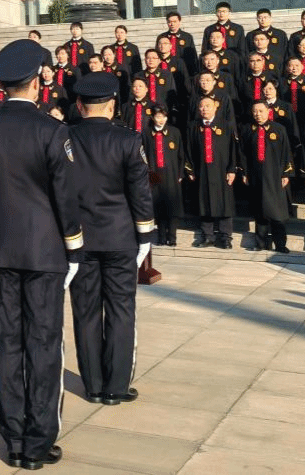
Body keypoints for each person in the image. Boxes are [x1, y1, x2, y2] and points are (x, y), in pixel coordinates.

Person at [0, 39, 83, 471]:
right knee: (44, 345)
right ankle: (38, 442)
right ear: (36, 83)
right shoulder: (52, 130)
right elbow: (65, 196)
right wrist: (74, 246)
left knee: (7, 344)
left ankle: (13, 440)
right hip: (45, 251)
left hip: (1, 250)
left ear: (2, 86)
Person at [67, 72, 155, 410]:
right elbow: (140, 192)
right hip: (120, 238)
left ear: (79, 104)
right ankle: (116, 387)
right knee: (120, 310)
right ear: (113, 105)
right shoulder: (128, 140)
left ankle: (93, 385)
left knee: (85, 311)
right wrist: (145, 235)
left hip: (79, 240)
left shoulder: (65, 138)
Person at [239, 102, 293, 253]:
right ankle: (261, 243)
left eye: (261, 111)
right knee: (260, 209)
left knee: (276, 211)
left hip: (275, 175)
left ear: (268, 111)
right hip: (255, 174)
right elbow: (242, 153)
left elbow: (286, 152)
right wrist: (244, 172)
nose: (258, 114)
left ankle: (280, 244)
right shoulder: (247, 129)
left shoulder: (279, 129)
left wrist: (286, 173)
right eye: (255, 111)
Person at [187, 97, 236, 249]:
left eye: (208, 106)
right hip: (202, 170)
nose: (204, 109)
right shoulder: (193, 126)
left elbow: (233, 150)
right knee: (205, 202)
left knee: (224, 203)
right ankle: (207, 236)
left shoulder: (226, 125)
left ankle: (225, 237)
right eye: (201, 106)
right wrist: (190, 169)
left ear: (215, 107)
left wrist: (232, 169)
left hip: (222, 170)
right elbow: (189, 149)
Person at [141, 104, 184, 246]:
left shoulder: (174, 132)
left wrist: (180, 173)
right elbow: (142, 154)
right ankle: (161, 236)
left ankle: (172, 237)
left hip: (171, 174)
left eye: (163, 117)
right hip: (154, 174)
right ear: (153, 117)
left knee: (172, 207)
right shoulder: (146, 133)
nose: (161, 120)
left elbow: (181, 155)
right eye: (158, 116)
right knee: (158, 207)